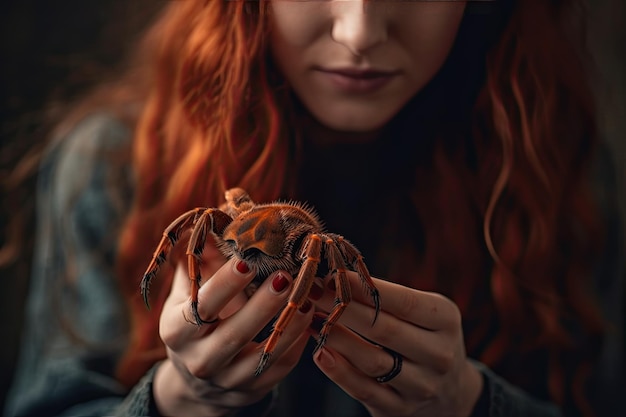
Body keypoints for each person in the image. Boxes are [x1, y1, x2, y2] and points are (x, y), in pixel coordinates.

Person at [4, 0, 624, 416]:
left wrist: (468, 402)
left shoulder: (554, 169)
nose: (359, 33)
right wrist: (178, 401)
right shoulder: (111, 165)